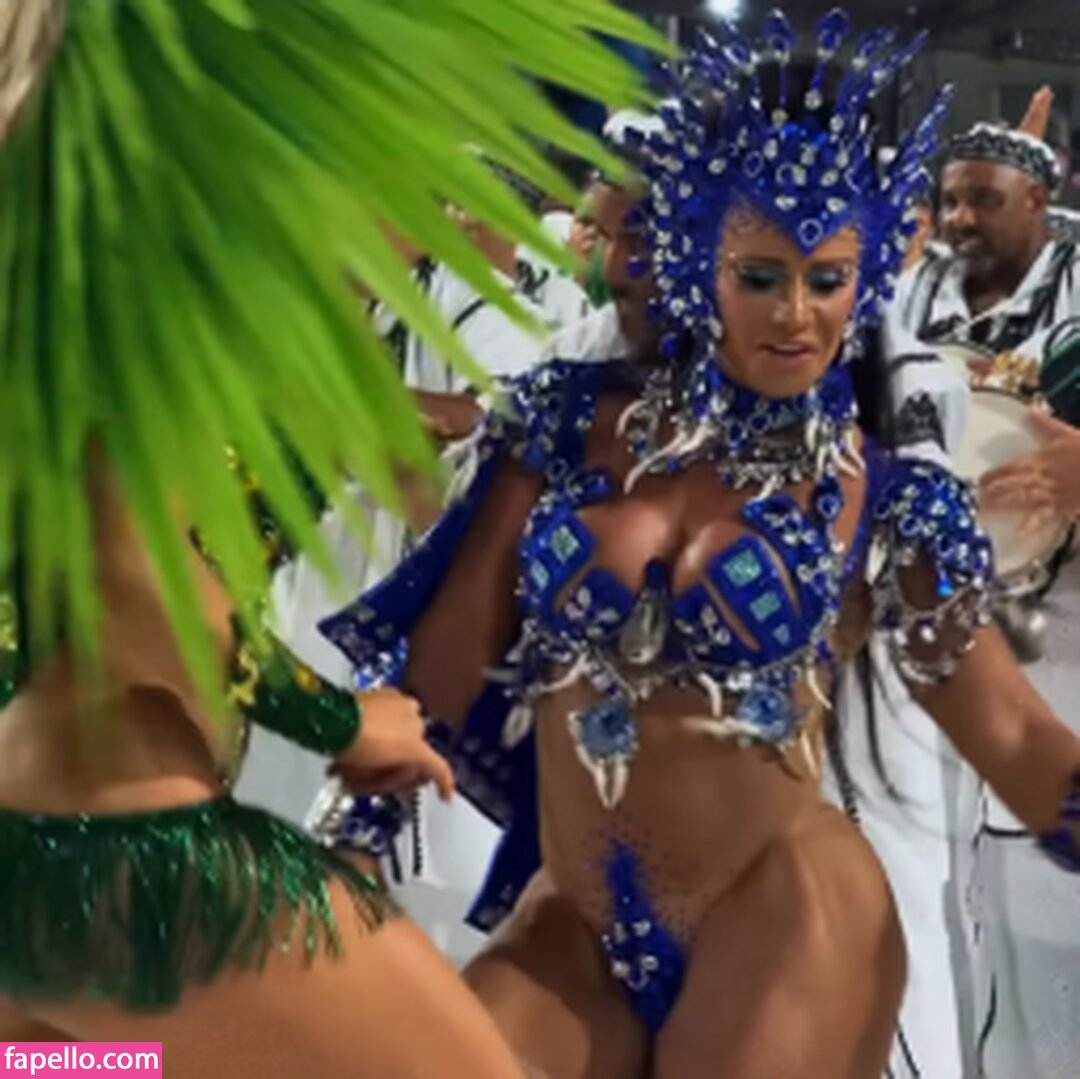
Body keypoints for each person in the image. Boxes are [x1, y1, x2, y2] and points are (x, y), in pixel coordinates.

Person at [314, 12, 1080, 1078]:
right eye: (761, 276)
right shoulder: (561, 423)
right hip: (575, 918)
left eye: (829, 277)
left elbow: (1012, 736)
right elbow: (439, 666)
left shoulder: (891, 497)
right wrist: (342, 850)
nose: (798, 316)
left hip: (788, 916)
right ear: (700, 256)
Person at [0, 0, 658, 1074]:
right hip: (137, 868)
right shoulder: (178, 316)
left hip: (46, 864)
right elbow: (133, 574)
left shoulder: (154, 304)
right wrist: (337, 717)